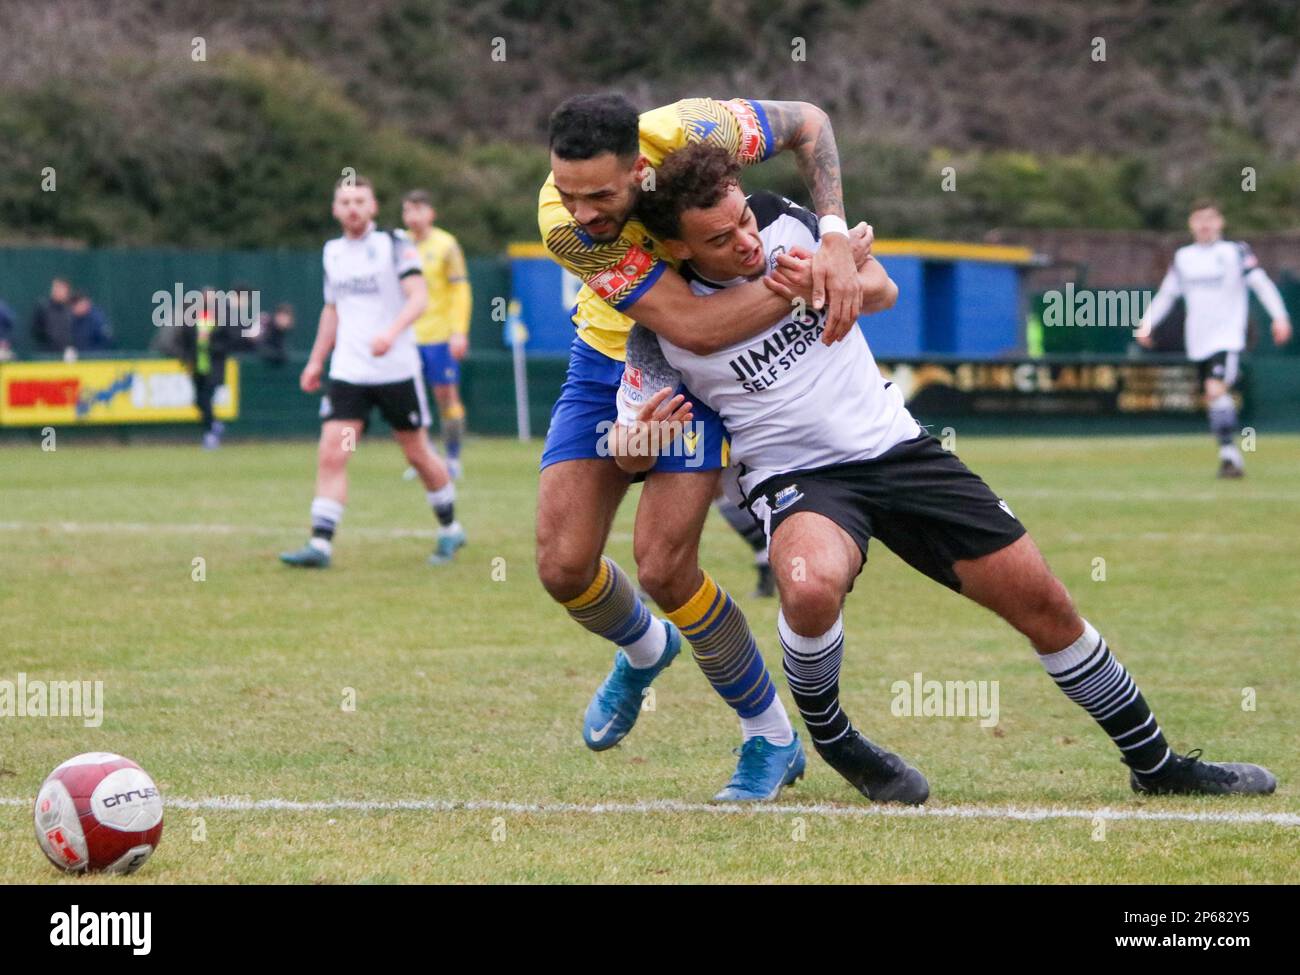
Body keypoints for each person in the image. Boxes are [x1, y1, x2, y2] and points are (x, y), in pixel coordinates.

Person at [614, 143, 1276, 802]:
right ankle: (833, 735)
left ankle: (1156, 764)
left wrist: (825, 275)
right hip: (799, 478)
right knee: (808, 587)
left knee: (1044, 601)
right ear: (676, 250)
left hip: (897, 448)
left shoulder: (780, 221)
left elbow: (881, 288)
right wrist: (638, 445)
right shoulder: (660, 326)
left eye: (744, 222)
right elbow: (628, 452)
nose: (747, 241)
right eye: (720, 238)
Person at [537, 92, 877, 802]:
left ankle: (769, 736)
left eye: (600, 195)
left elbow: (810, 123)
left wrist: (836, 236)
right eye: (568, 194)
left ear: (639, 166)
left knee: (663, 567)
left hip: (704, 373)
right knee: (562, 567)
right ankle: (645, 647)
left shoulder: (697, 127)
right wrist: (811, 279)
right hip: (614, 359)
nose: (583, 213)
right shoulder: (564, 226)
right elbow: (690, 324)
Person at [280, 176, 465, 569]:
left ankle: (450, 528)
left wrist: (391, 333)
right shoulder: (332, 252)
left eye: (359, 200)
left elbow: (419, 297)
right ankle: (320, 544)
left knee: (416, 453)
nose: (352, 208)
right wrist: (316, 360)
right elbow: (332, 309)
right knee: (335, 451)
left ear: (373, 207)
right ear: (334, 209)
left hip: (396, 371)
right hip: (349, 374)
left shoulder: (394, 245)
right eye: (344, 201)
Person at [1136, 200, 1293, 478]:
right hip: (1197, 342)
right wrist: (1146, 324)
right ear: (1191, 224)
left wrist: (1280, 317)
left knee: (1214, 389)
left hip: (1227, 338)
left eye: (1210, 218)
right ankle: (1230, 455)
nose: (1205, 224)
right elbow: (1167, 294)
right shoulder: (1184, 257)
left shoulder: (1235, 252)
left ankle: (1230, 457)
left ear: (1220, 222)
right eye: (1199, 219)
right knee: (1215, 398)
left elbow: (1261, 284)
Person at [401, 190, 472, 480]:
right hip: (406, 336)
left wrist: (459, 331)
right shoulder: (399, 244)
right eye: (407, 210)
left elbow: (460, 289)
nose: (412, 216)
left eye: (418, 209)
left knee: (445, 396)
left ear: (431, 213)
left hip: (440, 335)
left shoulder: (447, 245)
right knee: (411, 400)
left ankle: (453, 458)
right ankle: (423, 458)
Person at [178, 286, 236, 449]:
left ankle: (211, 432)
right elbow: (186, 338)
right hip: (198, 367)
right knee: (199, 400)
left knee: (206, 398)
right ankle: (214, 426)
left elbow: (228, 342)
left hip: (213, 366)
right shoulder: (193, 317)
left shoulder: (222, 319)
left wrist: (210, 344)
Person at [31, 278, 74, 357]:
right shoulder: (43, 307)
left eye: (61, 289)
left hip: (67, 354)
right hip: (47, 354)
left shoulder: (71, 308)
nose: (58, 291)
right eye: (56, 288)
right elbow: (36, 330)